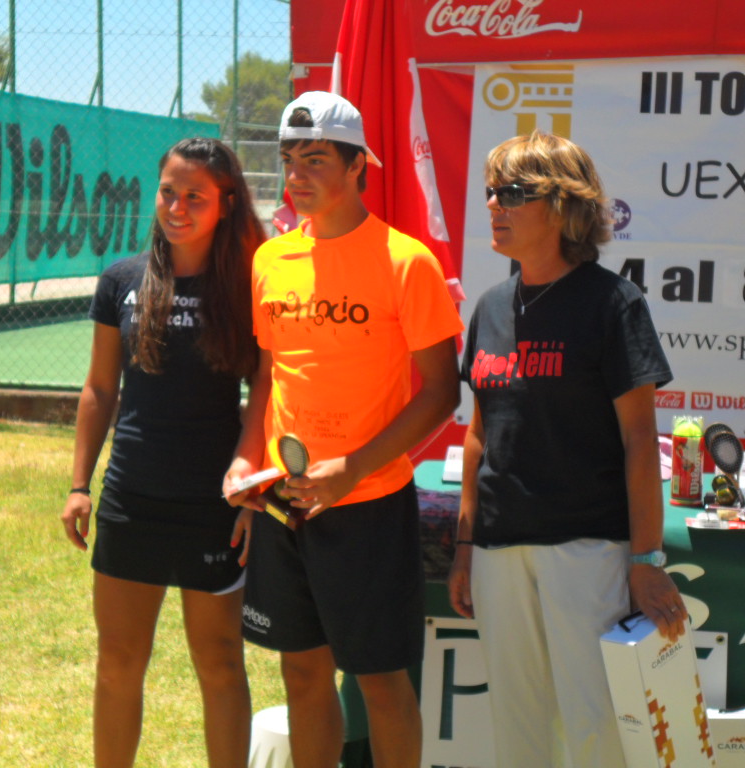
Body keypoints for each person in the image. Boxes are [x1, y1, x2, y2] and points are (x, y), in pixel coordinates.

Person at [222, 91, 463, 768]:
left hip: (368, 504)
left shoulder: (406, 261)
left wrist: (352, 468)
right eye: (289, 159)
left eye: (316, 159)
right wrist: (245, 461)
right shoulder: (270, 260)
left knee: (381, 684)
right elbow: (268, 376)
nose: (296, 175)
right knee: (302, 674)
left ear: (359, 166)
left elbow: (441, 393)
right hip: (284, 503)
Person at [447, 130, 688, 767]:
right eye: (491, 191)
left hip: (586, 548)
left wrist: (646, 558)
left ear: (563, 205)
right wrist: (466, 546)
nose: (493, 205)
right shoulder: (490, 307)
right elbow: (477, 436)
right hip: (499, 549)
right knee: (517, 727)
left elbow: (640, 441)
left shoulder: (613, 303)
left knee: (595, 727)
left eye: (512, 193)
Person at [60, 137, 265, 768]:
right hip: (132, 498)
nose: (177, 207)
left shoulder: (250, 284)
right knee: (118, 662)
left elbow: (267, 388)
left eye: (195, 196)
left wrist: (250, 489)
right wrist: (79, 486)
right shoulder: (121, 280)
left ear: (226, 203)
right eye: (168, 192)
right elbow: (100, 388)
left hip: (213, 505)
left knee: (220, 662)